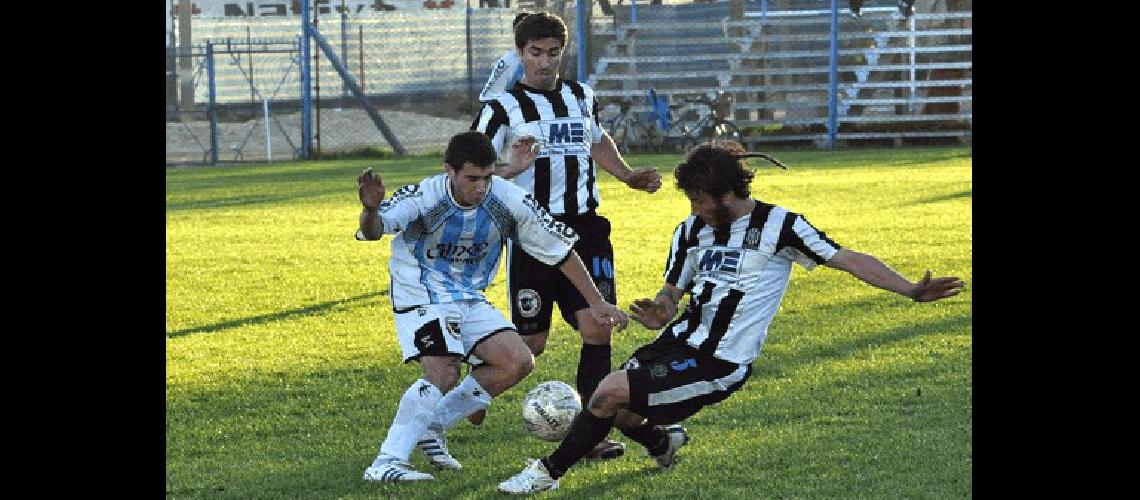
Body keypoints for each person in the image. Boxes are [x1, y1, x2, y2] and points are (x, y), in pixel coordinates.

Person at [496, 140, 965, 494]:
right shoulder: (691, 229)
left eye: (700, 199)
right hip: (678, 341)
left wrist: (908, 289)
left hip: (720, 362)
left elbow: (847, 258)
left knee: (606, 394)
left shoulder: (781, 226)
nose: (695, 209)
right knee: (619, 409)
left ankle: (545, 474)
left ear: (727, 194)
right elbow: (670, 294)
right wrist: (658, 311)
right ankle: (663, 444)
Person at [356, 131, 629, 483]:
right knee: (443, 371)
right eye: (472, 178)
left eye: (486, 178)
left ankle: (432, 423)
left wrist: (596, 303)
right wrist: (370, 209)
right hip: (421, 293)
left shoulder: (508, 199)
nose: (481, 187)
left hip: (468, 295)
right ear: (449, 171)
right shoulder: (425, 196)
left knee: (516, 362)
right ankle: (386, 462)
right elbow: (376, 230)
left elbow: (560, 250)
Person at [468, 11, 663, 459]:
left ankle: (589, 436)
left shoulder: (581, 95)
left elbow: (596, 140)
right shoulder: (502, 109)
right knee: (532, 343)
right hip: (532, 231)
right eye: (535, 53)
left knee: (598, 326)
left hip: (587, 230)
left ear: (563, 52)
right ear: (520, 54)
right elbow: (470, 166)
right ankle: (480, 380)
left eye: (553, 53)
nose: (544, 62)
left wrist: (628, 175)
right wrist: (510, 169)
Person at [477, 12, 529, 104]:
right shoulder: (518, 60)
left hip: (490, 100)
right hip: (494, 104)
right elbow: (515, 90)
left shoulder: (512, 56)